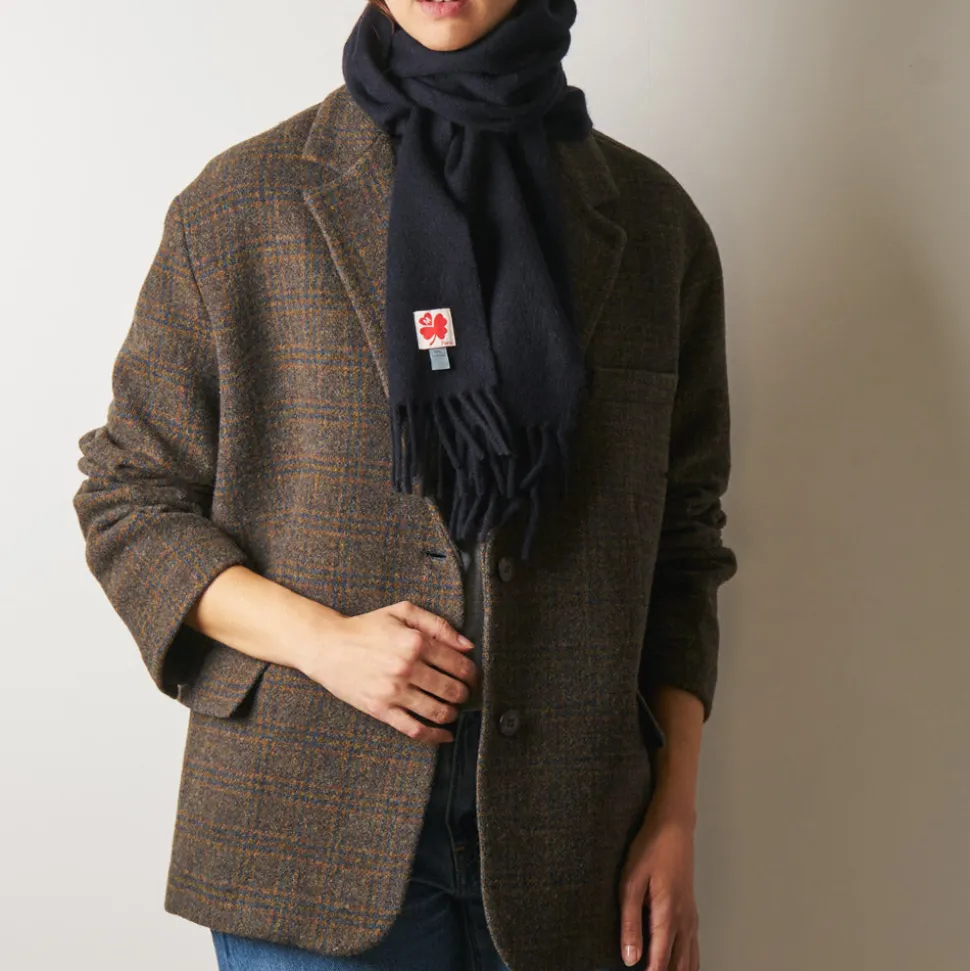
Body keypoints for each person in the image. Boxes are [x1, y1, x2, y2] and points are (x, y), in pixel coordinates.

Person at [71, 1, 738, 969]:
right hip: (307, 826)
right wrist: (324, 642)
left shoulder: (652, 225)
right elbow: (128, 494)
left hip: (576, 843)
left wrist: (675, 812)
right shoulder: (242, 206)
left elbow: (683, 539)